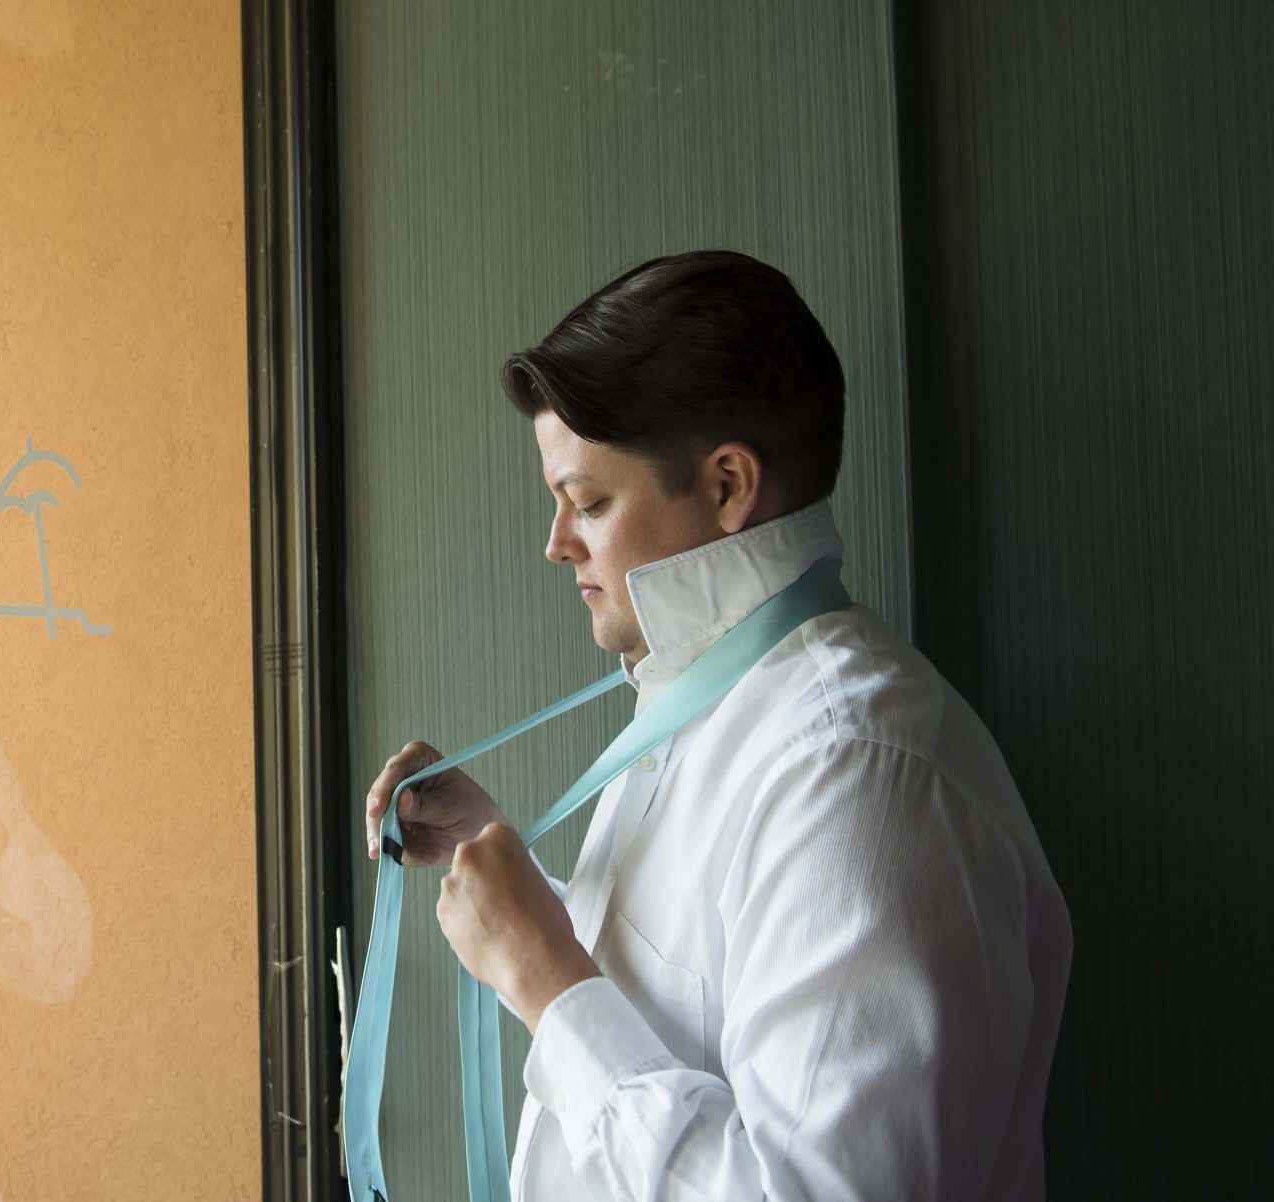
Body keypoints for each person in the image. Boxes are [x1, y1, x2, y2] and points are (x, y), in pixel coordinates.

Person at [362, 251, 1072, 1201]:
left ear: (729, 485)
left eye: (588, 502)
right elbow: (697, 1002)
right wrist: (528, 894)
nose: (556, 543)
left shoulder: (855, 772)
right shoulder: (704, 710)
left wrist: (547, 981)